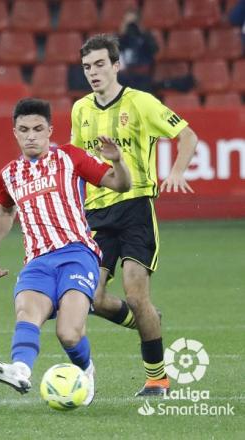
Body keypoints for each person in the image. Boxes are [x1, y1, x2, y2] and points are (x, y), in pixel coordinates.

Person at [0, 98, 131, 406]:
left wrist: (118, 161)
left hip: (77, 255)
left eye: (37, 129)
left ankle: (86, 371)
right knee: (26, 313)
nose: (31, 135)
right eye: (23, 130)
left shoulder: (71, 158)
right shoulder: (9, 174)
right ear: (15, 132)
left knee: (69, 334)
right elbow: (6, 211)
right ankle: (20, 370)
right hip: (37, 261)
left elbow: (121, 185)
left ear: (50, 130)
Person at [71, 34, 198, 396]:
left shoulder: (140, 103)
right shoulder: (80, 110)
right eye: (86, 67)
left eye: (99, 65)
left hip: (135, 207)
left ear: (115, 65)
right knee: (91, 298)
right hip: (96, 212)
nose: (92, 73)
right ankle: (146, 320)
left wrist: (176, 171)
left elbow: (187, 135)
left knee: (136, 292)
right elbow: (78, 164)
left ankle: (157, 377)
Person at [117, 9, 158, 93]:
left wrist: (142, 33)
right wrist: (122, 35)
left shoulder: (145, 38)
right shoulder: (119, 39)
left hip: (141, 78)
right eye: (128, 23)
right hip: (123, 77)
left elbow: (155, 50)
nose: (131, 26)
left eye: (133, 22)